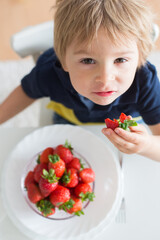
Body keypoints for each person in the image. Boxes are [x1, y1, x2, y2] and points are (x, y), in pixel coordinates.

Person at [0, 0, 160, 161]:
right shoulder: (49, 72)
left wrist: (146, 145)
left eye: (120, 59)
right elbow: (26, 92)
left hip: (127, 129)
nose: (105, 78)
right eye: (88, 61)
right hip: (70, 119)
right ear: (63, 60)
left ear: (140, 57)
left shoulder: (145, 81)